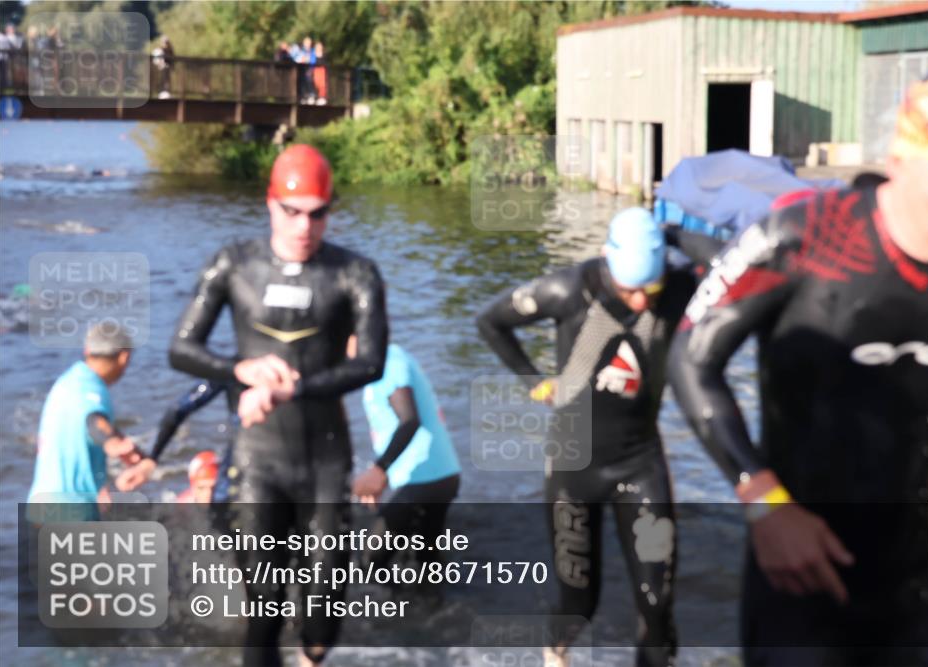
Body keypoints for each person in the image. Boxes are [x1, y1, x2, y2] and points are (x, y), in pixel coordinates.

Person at [667, 54, 928, 666]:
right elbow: (691, 357)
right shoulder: (803, 239)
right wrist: (763, 501)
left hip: (923, 571)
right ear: (902, 157)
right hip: (802, 564)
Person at [168, 143, 388, 667]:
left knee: (320, 618)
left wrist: (296, 387)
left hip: (325, 459)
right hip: (259, 458)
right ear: (271, 205)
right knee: (262, 611)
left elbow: (372, 365)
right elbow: (181, 349)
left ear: (330, 211)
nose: (304, 227)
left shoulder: (354, 273)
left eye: (317, 214)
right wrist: (239, 370)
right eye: (292, 212)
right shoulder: (234, 264)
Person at [478, 208, 701, 667]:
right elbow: (490, 322)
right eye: (628, 289)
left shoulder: (680, 284)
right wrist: (533, 381)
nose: (641, 301)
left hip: (640, 461)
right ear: (606, 262)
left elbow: (731, 261)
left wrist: (675, 234)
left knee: (657, 602)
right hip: (573, 465)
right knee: (580, 603)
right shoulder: (567, 289)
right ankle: (554, 654)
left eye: (650, 289)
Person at [347, 336, 461, 575]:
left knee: (369, 563)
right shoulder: (380, 363)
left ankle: (391, 609)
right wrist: (384, 478)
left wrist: (378, 470)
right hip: (436, 475)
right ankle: (429, 606)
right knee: (425, 564)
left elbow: (409, 421)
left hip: (424, 478)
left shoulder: (388, 362)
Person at [27, 322, 149, 521]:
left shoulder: (71, 381)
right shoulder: (91, 391)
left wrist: (125, 447)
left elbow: (90, 421)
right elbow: (94, 422)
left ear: (87, 351)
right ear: (124, 357)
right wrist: (111, 442)